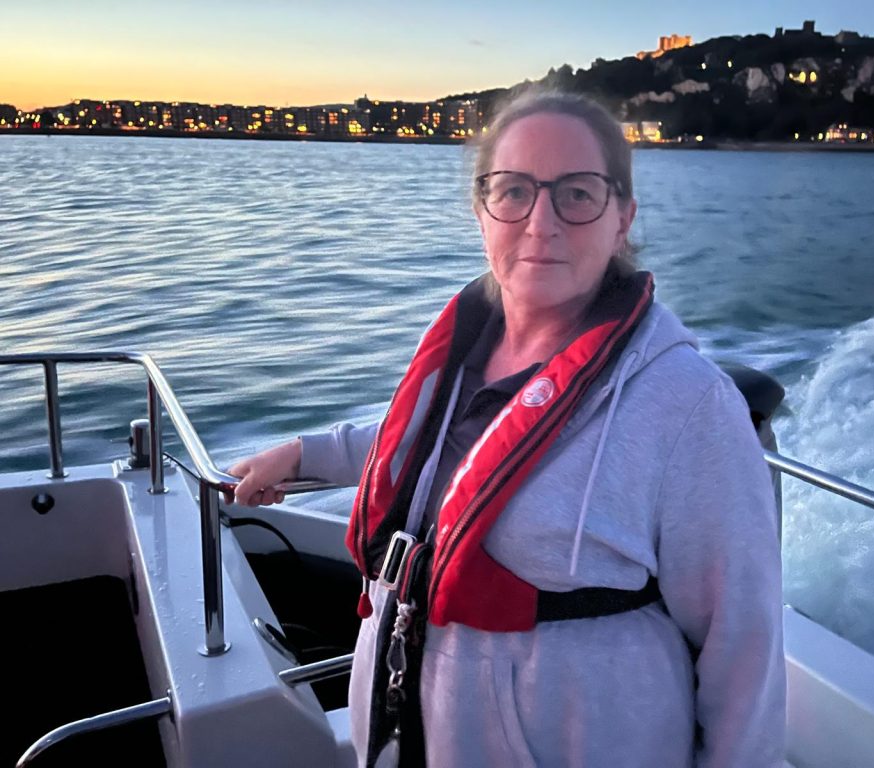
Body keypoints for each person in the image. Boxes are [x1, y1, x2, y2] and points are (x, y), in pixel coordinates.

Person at [228, 90, 785, 768]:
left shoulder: (690, 406)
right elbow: (427, 451)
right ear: (482, 209)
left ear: (622, 218)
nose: (540, 222)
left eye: (576, 194)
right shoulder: (469, 350)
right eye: (513, 191)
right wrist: (302, 452)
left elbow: (744, 649)